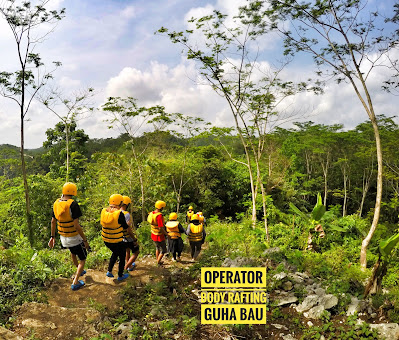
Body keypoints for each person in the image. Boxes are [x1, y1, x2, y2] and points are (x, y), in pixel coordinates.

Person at [49, 182, 90, 291]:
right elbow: (76, 226)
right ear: (73, 192)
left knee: (73, 252)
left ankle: (78, 270)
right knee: (83, 258)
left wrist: (52, 237)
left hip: (63, 237)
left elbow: (53, 221)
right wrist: (85, 240)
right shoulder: (73, 204)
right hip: (74, 236)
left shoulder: (56, 203)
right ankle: (76, 281)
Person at [101, 194, 134, 281]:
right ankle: (120, 275)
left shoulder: (104, 211)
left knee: (115, 253)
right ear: (119, 203)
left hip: (106, 240)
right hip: (116, 240)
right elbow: (125, 227)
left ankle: (109, 271)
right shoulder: (119, 214)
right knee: (122, 256)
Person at [121, 195, 140, 271]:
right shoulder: (127, 214)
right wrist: (134, 239)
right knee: (136, 252)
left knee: (127, 250)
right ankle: (126, 267)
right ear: (127, 204)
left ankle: (129, 265)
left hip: (121, 237)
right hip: (128, 237)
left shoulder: (117, 213)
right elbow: (128, 229)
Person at [148, 200, 168, 265]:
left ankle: (158, 260)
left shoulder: (152, 213)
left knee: (157, 247)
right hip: (159, 235)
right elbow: (160, 228)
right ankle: (158, 262)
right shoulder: (159, 216)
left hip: (153, 233)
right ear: (161, 207)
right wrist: (166, 234)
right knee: (164, 250)